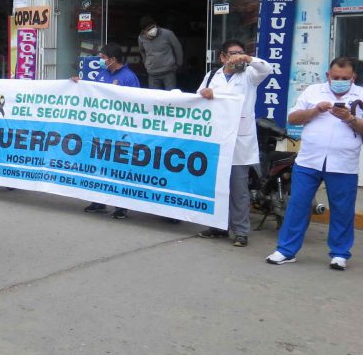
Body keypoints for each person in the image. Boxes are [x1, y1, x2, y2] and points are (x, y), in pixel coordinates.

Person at [266, 58, 363, 270]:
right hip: (309, 161)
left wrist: (349, 118)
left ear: (353, 77)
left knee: (342, 210)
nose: (339, 81)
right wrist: (315, 111)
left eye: (345, 79)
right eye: (335, 77)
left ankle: (339, 254)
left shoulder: (361, 95)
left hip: (343, 164)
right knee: (297, 206)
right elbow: (293, 118)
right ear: (328, 75)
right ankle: (285, 250)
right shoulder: (313, 91)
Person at [196, 41, 272, 247]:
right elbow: (197, 98)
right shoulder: (213, 76)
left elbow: (267, 68)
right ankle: (218, 226)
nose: (238, 57)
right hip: (216, 139)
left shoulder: (249, 75)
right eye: (233, 54)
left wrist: (248, 59)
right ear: (222, 57)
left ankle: (241, 231)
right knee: (217, 187)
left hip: (239, 140)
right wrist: (205, 94)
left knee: (239, 188)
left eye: (241, 53)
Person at [72, 44, 140, 218]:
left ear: (112, 59)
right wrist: (78, 85)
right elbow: (91, 93)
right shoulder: (101, 75)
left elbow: (137, 104)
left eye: (103, 58)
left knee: (118, 167)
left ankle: (121, 206)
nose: (100, 61)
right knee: (98, 165)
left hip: (120, 131)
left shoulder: (129, 78)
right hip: (101, 131)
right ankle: (99, 200)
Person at [137, 16, 183, 90]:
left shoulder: (168, 34)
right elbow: (142, 51)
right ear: (144, 31)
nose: (152, 30)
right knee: (154, 98)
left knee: (170, 97)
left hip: (168, 72)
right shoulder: (141, 38)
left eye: (152, 27)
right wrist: (146, 63)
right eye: (148, 29)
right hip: (152, 74)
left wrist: (178, 64)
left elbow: (178, 48)